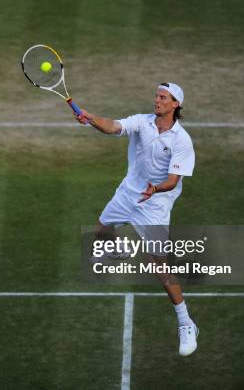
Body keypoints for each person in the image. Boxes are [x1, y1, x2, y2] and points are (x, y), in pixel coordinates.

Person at [76, 82, 198, 356]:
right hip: (128, 194)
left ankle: (186, 322)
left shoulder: (181, 140)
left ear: (175, 104)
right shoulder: (142, 122)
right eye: (156, 95)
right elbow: (113, 126)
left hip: (154, 206)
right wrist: (92, 118)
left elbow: (173, 180)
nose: (157, 100)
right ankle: (119, 252)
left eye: (163, 97)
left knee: (160, 267)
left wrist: (154, 189)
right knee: (101, 232)